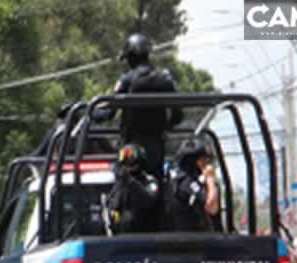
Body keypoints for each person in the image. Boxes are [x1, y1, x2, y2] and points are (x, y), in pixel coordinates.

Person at [94, 33, 182, 178]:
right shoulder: (165, 79)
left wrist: (90, 113)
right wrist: (166, 128)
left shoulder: (126, 80)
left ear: (131, 57)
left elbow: (109, 114)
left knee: (123, 186)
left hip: (130, 149)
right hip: (156, 149)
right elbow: (178, 115)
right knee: (158, 186)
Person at [161, 138, 219, 232]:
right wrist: (210, 178)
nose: (206, 164)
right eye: (203, 160)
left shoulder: (176, 177)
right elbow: (212, 207)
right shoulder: (186, 182)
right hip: (191, 240)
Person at [104, 143, 162, 234]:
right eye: (125, 164)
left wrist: (129, 181)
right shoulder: (118, 184)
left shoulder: (149, 181)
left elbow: (148, 200)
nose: (128, 168)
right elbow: (112, 207)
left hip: (146, 237)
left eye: (131, 164)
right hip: (121, 238)